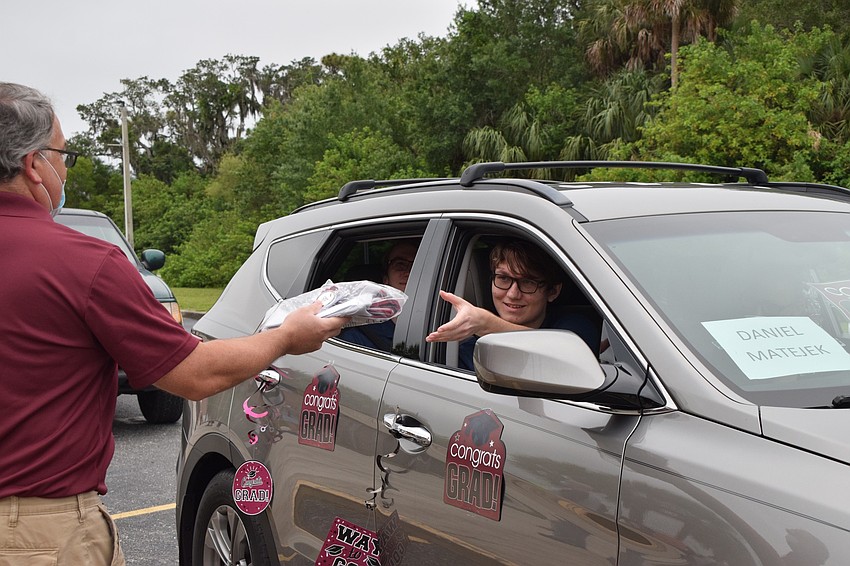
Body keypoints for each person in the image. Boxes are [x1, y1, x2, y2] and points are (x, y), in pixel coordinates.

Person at [0, 82, 348, 565]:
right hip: (37, 534)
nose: (64, 170)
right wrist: (286, 336)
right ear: (33, 165)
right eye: (63, 155)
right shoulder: (83, 262)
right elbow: (194, 374)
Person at [426, 239, 599, 370]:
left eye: (528, 282)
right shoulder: (467, 353)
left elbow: (570, 354)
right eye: (503, 278)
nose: (512, 294)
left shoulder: (574, 328)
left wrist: (487, 324)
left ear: (553, 291)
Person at [338, 239, 419, 351]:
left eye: (416, 267)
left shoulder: (441, 320)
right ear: (385, 279)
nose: (408, 272)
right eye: (400, 265)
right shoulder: (357, 338)